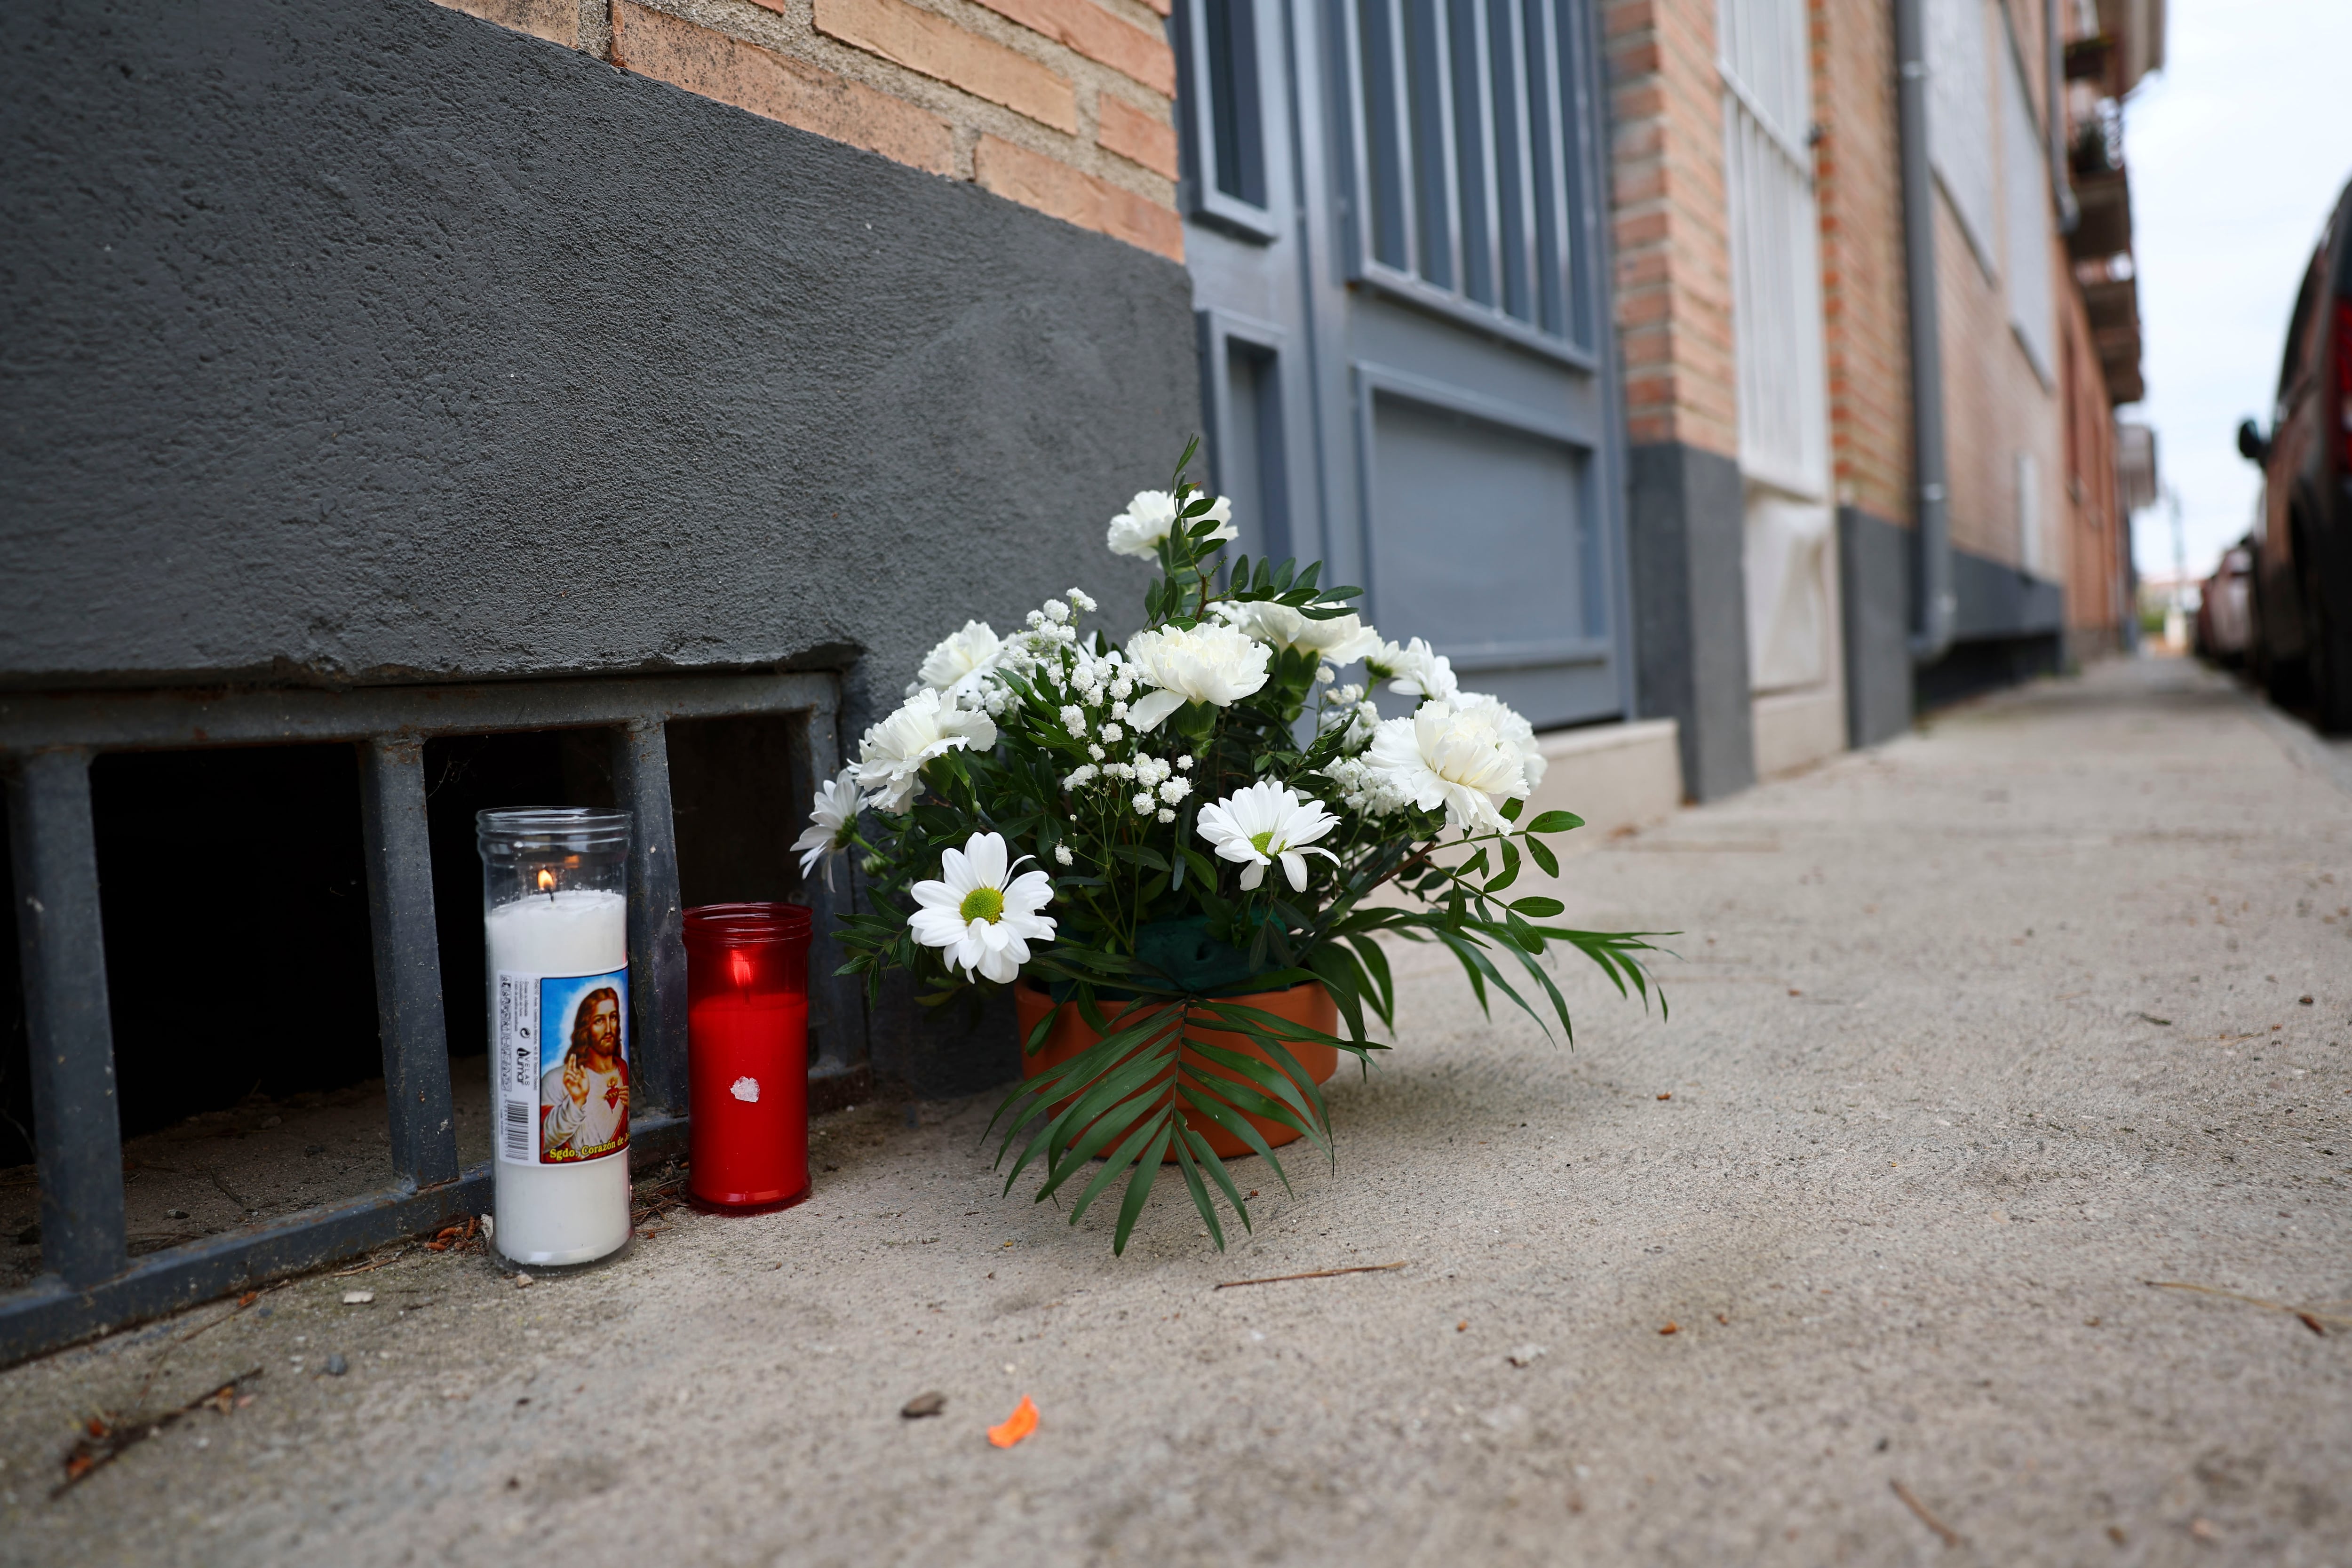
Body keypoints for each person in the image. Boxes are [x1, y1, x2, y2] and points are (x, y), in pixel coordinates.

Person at [541, 986, 628, 1158]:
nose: (609, 1028)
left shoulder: (622, 1070)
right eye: (599, 1021)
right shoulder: (558, 1079)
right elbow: (542, 1141)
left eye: (613, 1017)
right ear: (585, 1028)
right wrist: (577, 1101)